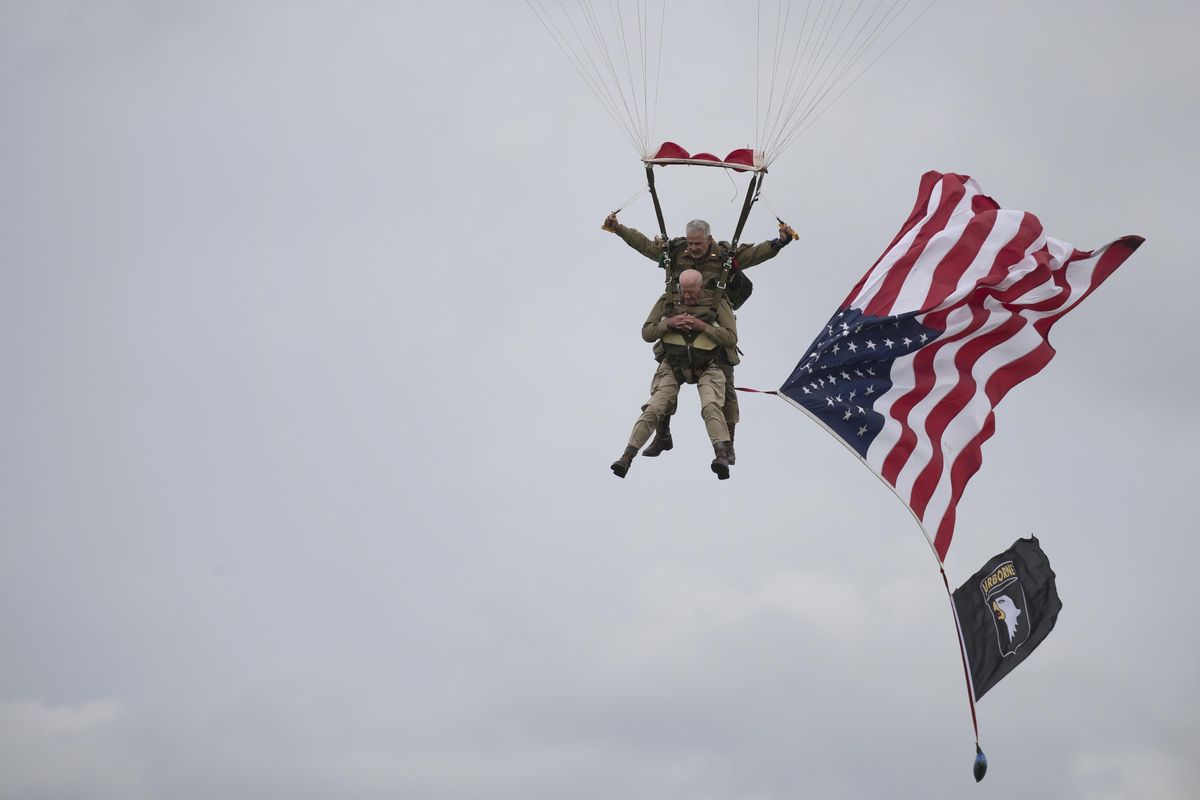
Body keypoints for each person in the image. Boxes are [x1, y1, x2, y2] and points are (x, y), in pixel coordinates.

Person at [603, 213, 797, 464]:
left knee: (724, 390)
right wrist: (619, 229)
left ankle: (728, 448)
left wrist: (779, 242)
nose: (693, 248)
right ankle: (662, 435)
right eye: (690, 242)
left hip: (714, 322)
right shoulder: (675, 252)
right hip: (677, 320)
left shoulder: (725, 256)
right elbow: (645, 246)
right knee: (664, 384)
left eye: (698, 243)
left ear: (709, 240)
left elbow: (755, 254)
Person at [612, 269, 737, 480]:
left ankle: (722, 455)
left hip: (708, 364)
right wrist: (669, 323)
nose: (687, 297)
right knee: (655, 406)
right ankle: (626, 457)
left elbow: (730, 338)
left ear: (701, 288)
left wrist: (702, 326)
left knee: (711, 405)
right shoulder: (667, 301)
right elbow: (647, 333)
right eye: (684, 292)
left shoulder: (717, 302)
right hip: (673, 363)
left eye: (692, 292)